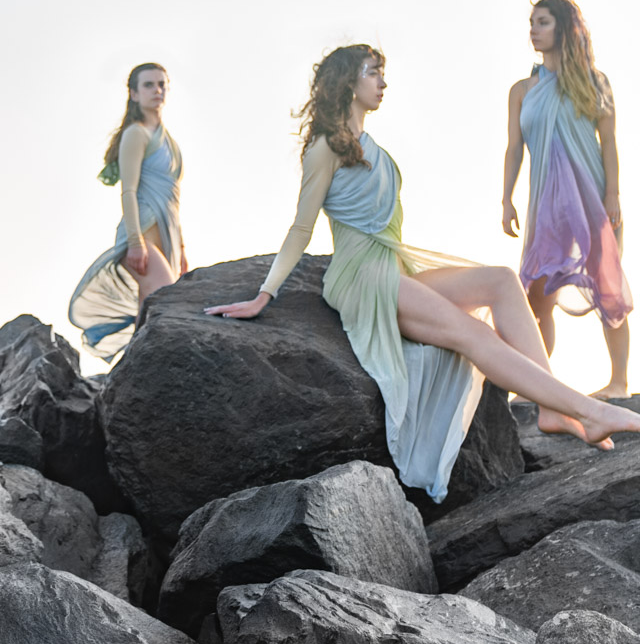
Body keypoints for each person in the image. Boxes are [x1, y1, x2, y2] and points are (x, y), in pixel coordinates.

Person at [204, 45, 640, 503]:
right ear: (348, 83)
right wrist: (264, 295)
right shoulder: (324, 148)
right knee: (474, 334)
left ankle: (552, 407)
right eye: (373, 74)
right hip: (362, 278)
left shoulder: (370, 146)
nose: (382, 83)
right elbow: (300, 228)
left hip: (394, 271)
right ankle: (587, 410)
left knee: (501, 281)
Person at [503, 0, 632, 398]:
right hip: (545, 204)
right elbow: (513, 148)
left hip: (592, 198)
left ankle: (619, 382)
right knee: (537, 300)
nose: (533, 31)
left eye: (542, 22)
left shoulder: (595, 82)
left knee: (606, 285)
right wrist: (505, 199)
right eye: (532, 23)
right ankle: (541, 387)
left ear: (563, 26)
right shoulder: (522, 90)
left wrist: (613, 194)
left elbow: (608, 143)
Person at [69, 62, 186, 360]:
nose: (157, 90)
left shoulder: (168, 139)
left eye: (162, 84)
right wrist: (135, 242)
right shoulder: (137, 134)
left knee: (148, 310)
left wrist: (182, 249)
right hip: (140, 236)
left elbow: (174, 198)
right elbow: (129, 191)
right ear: (134, 94)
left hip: (166, 237)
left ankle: (129, 377)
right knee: (164, 301)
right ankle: (136, 373)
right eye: (149, 85)